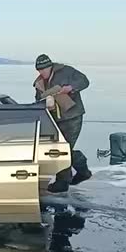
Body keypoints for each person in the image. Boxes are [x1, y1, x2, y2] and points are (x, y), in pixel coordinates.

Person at [34, 54, 92, 193]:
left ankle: (77, 174)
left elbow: (84, 81)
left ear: (50, 66)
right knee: (60, 149)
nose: (42, 73)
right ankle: (66, 179)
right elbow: (38, 100)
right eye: (39, 70)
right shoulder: (39, 83)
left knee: (65, 150)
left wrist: (71, 88)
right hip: (55, 119)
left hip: (72, 116)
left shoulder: (66, 71)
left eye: (43, 69)